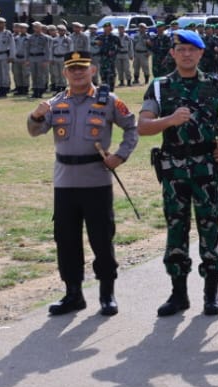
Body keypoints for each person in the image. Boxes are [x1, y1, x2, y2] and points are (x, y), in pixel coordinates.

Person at [137, 30, 218, 317]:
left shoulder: (215, 83)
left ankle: (211, 293)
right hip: (173, 168)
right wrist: (170, 120)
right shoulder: (160, 86)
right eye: (181, 49)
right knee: (176, 229)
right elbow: (143, 126)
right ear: (172, 53)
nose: (187, 54)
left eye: (192, 49)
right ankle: (178, 294)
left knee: (208, 228)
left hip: (206, 166)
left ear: (201, 54)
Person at [27, 50, 138, 316]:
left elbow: (131, 127)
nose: (78, 73)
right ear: (65, 73)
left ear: (92, 71)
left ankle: (107, 294)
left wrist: (120, 156)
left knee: (101, 238)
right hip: (65, 181)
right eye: (72, 69)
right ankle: (73, 293)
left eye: (82, 68)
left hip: (96, 179)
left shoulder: (108, 100)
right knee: (66, 240)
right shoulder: (56, 102)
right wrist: (36, 115)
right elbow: (34, 131)